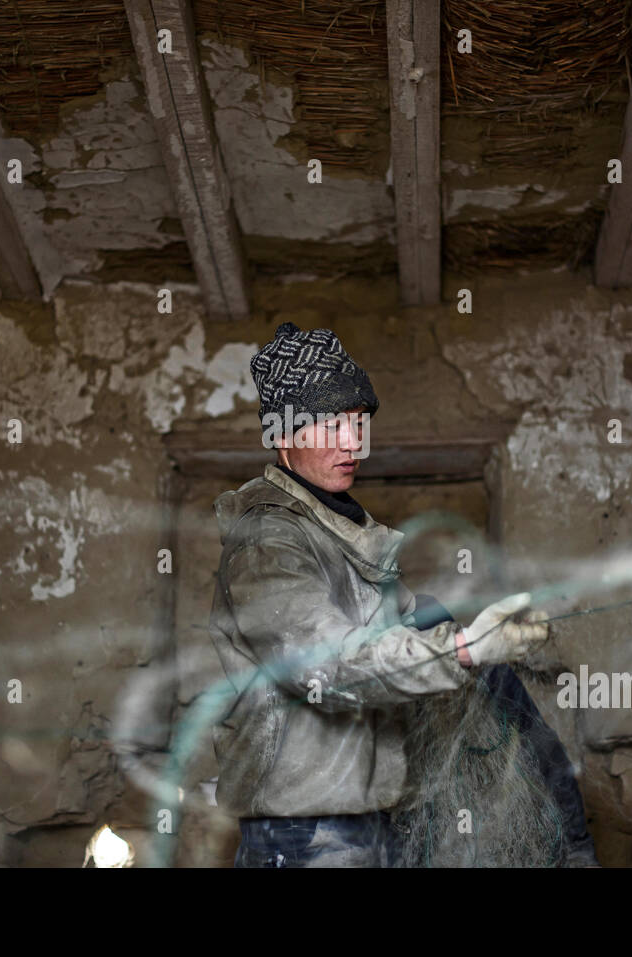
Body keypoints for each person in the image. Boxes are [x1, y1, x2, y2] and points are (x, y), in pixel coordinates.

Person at [207, 322, 597, 867]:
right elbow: (327, 662)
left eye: (358, 424)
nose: (352, 443)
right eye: (329, 426)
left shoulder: (345, 536)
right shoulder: (270, 544)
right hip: (304, 836)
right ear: (280, 436)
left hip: (372, 823)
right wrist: (464, 649)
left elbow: (409, 634)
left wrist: (476, 639)